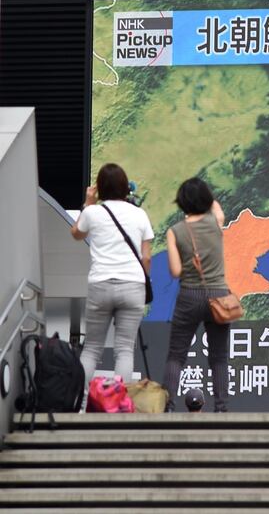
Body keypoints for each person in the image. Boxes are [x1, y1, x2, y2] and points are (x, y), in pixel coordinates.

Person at [71, 163, 153, 391]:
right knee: (125, 349)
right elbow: (146, 258)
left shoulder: (93, 212)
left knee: (92, 348)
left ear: (101, 188)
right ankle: (120, 406)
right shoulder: (139, 214)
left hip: (101, 284)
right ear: (126, 187)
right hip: (133, 285)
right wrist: (143, 282)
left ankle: (79, 401)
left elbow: (76, 233)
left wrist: (88, 202)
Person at [163, 178, 231, 412]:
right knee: (219, 357)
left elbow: (175, 271)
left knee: (176, 355)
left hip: (189, 294)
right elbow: (217, 208)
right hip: (219, 296)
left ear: (181, 203)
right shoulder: (216, 223)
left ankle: (169, 406)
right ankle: (221, 408)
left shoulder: (175, 232)